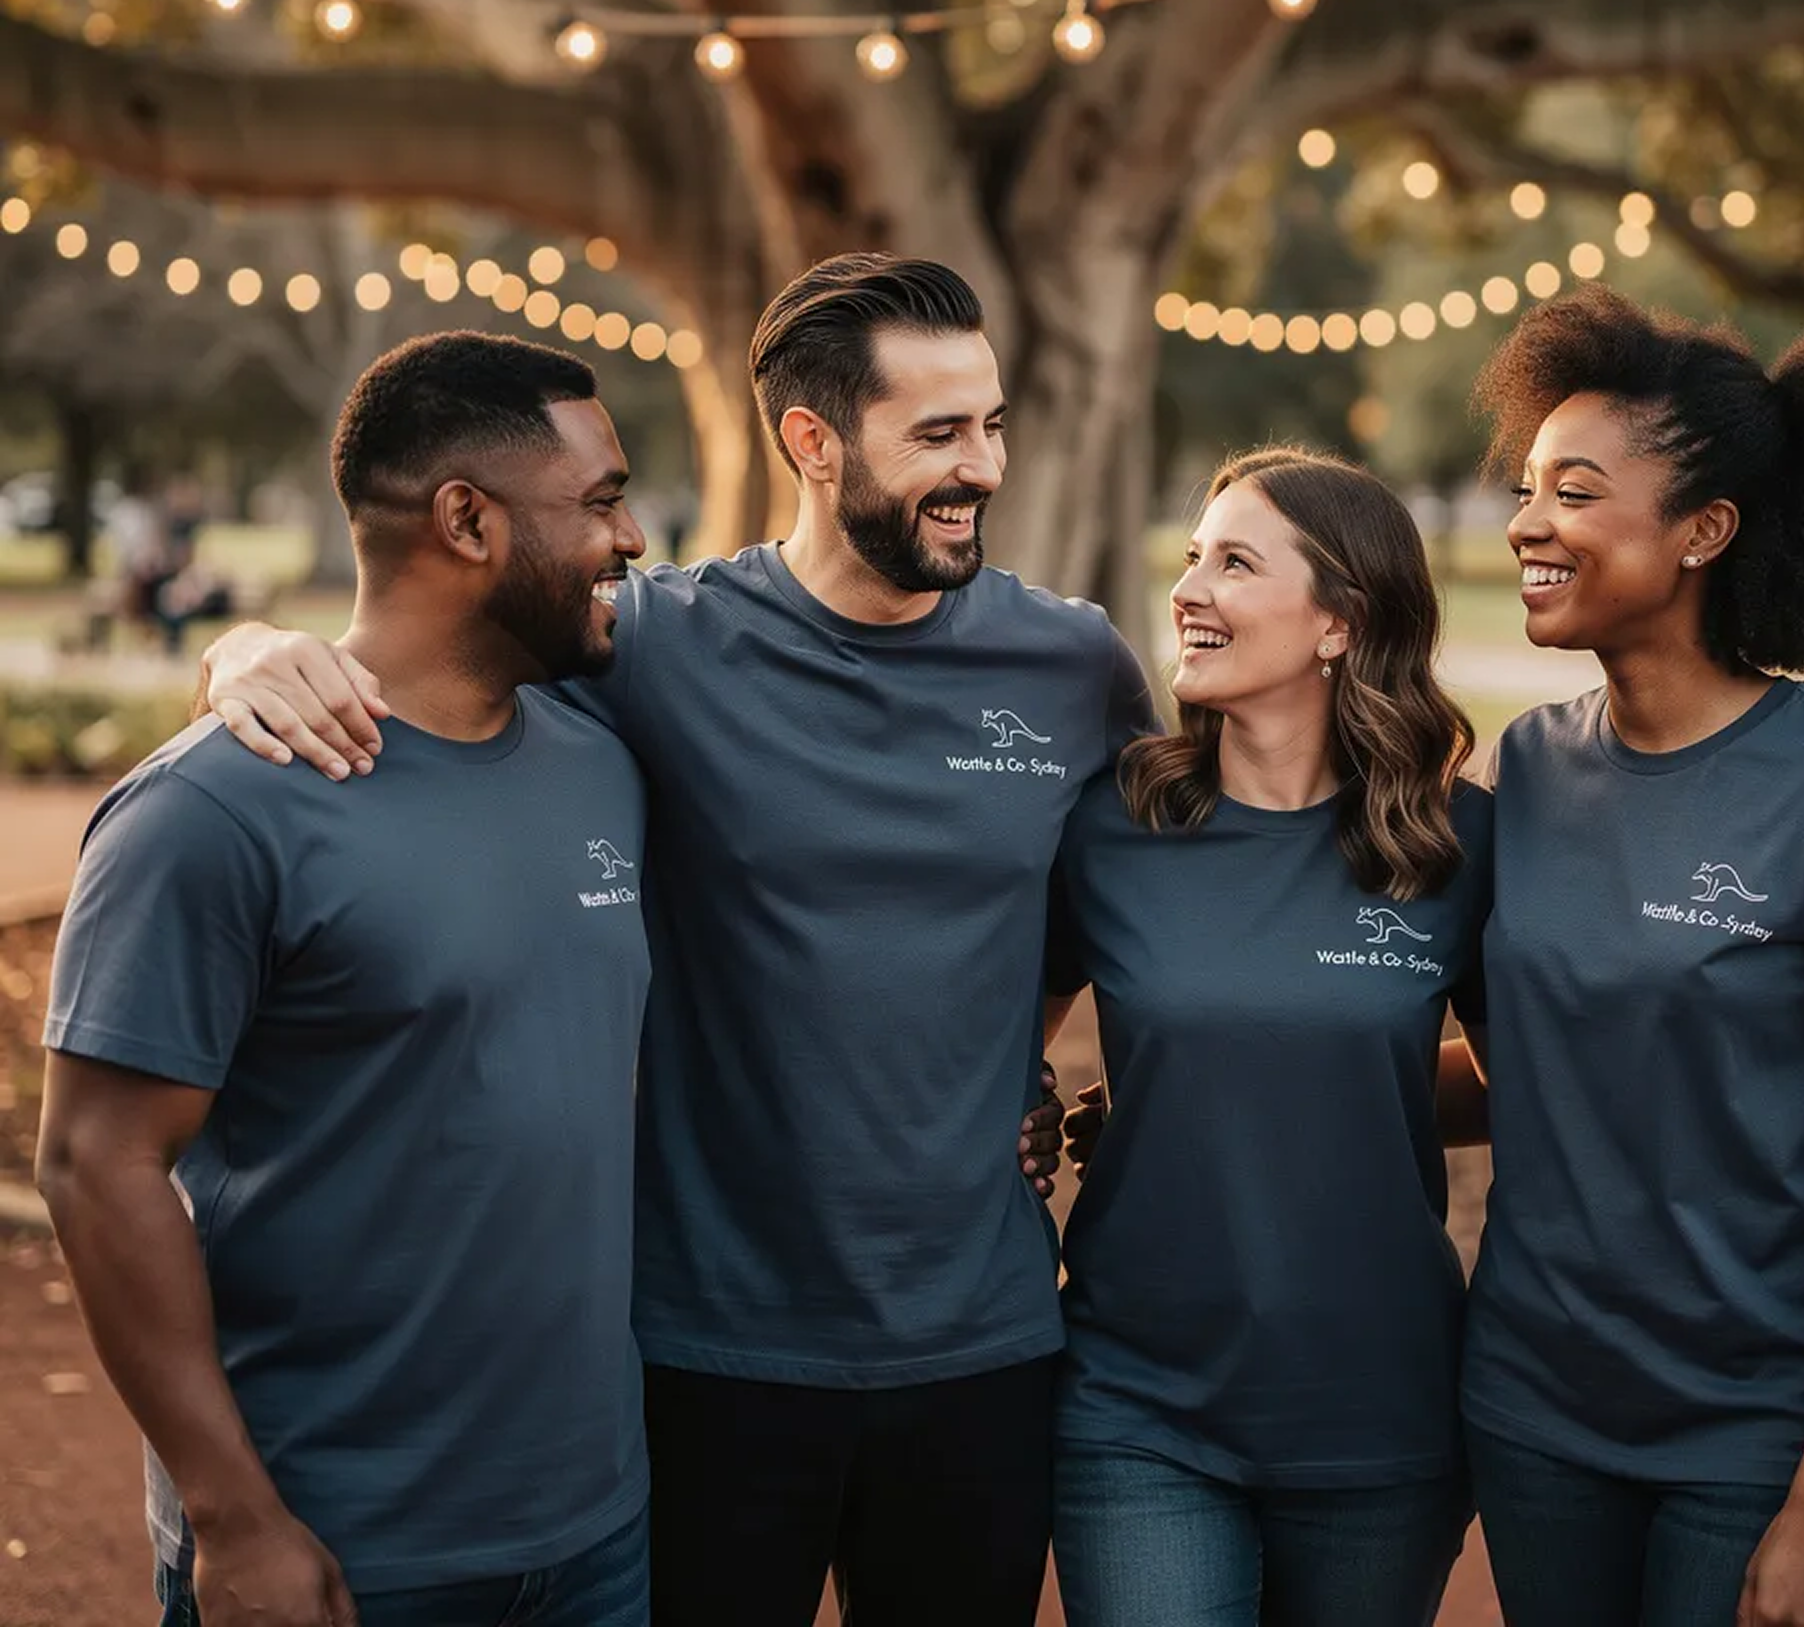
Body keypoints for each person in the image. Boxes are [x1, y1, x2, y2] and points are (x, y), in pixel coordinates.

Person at [197, 255, 1153, 1627]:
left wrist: (1012, 1052)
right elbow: (426, 666)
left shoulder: (1074, 666)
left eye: (992, 424)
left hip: (982, 1344)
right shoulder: (649, 646)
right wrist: (240, 650)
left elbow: (1111, 913)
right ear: (812, 443)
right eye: (938, 434)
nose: (983, 466)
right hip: (706, 1350)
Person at [35, 332, 655, 1627]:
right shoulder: (210, 812)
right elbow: (98, 1163)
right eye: (599, 501)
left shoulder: (603, 753)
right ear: (468, 520)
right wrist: (234, 1518)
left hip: (598, 1535)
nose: (634, 536)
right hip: (338, 1542)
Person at [1461, 288, 1804, 1627]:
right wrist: (1212, 1078)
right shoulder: (1531, 767)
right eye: (1528, 489)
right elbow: (1541, 1065)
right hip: (1541, 1416)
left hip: (1765, 1434)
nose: (1528, 524)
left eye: (1575, 493)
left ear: (1703, 531)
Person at [1046, 447, 1489, 1627]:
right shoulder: (1108, 823)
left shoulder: (1457, 845)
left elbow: (1541, 1084)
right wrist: (1048, 1111)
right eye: (1189, 556)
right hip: (1137, 1407)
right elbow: (995, 1051)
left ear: (1340, 621)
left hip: (1379, 1412)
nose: (1187, 586)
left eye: (1233, 562)